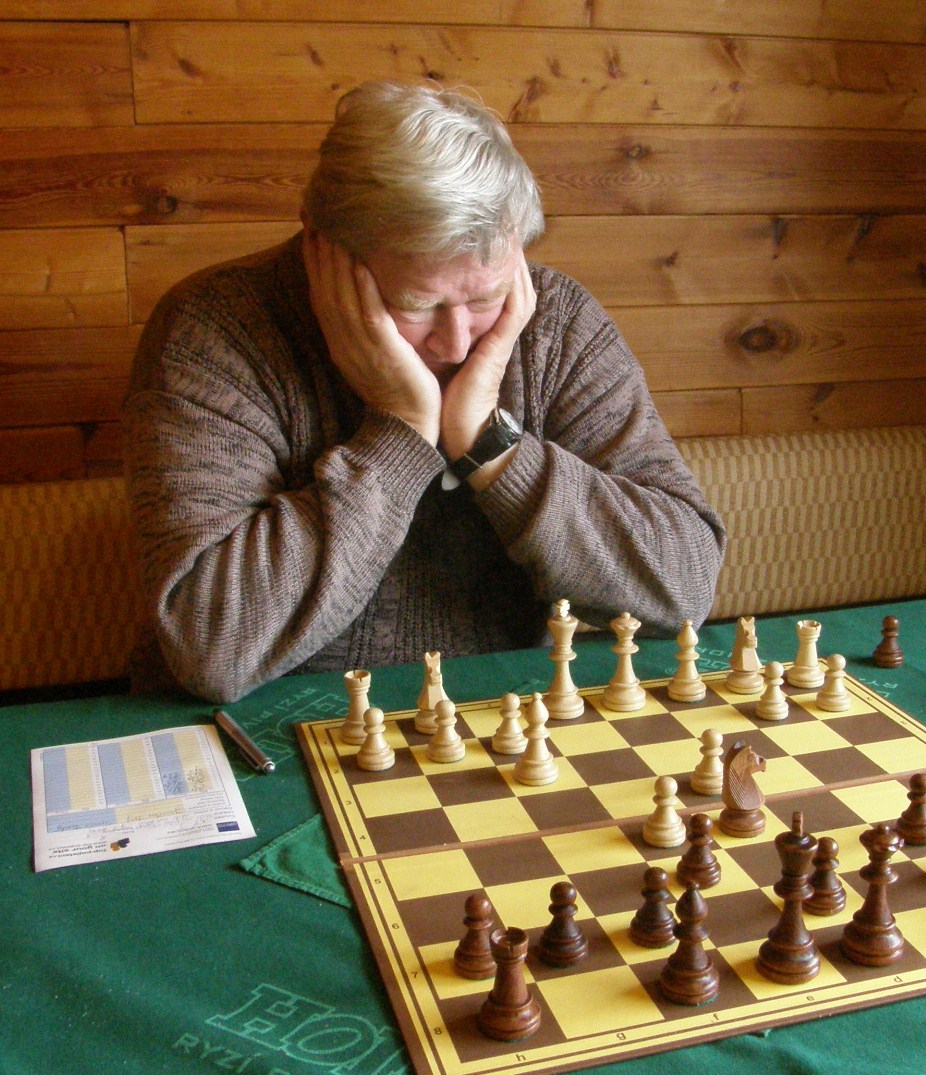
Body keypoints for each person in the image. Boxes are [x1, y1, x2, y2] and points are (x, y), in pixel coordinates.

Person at [123, 79, 725, 703]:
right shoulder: (214, 330)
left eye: (487, 298)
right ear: (319, 246)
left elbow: (682, 588)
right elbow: (210, 646)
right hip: (265, 726)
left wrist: (493, 447)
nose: (457, 345)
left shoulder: (559, 323)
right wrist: (400, 432)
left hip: (498, 714)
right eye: (417, 304)